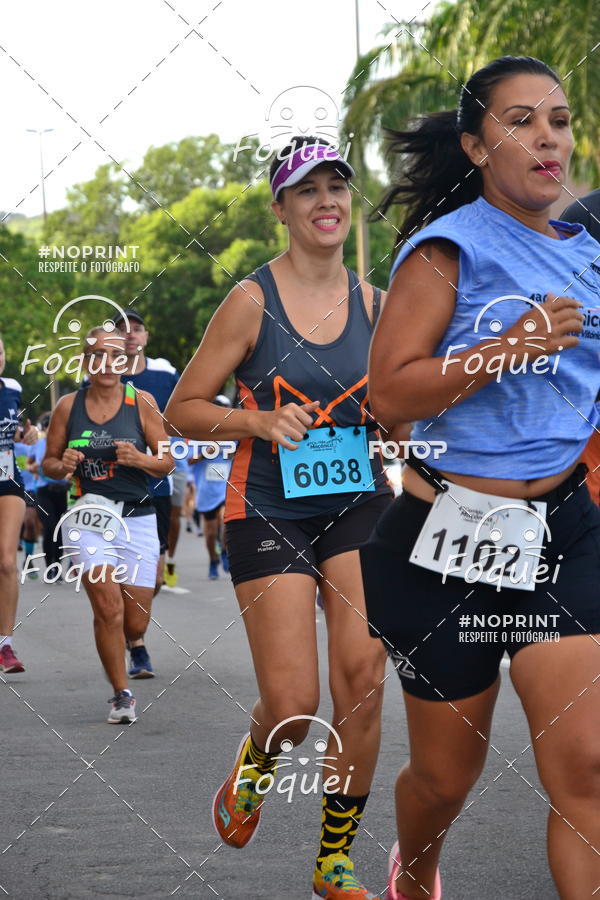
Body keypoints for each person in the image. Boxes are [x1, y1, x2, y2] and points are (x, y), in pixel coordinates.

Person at [359, 56, 600, 899]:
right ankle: (417, 865)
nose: (547, 137)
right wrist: (511, 345)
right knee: (444, 779)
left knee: (588, 769)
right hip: (443, 542)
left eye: (559, 120)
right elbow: (390, 392)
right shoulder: (445, 250)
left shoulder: (590, 256)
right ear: (474, 145)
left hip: (561, 535)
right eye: (521, 120)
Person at [165, 136, 395, 899]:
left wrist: (394, 421)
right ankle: (257, 760)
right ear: (282, 210)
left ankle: (334, 860)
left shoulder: (377, 304)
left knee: (361, 680)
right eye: (307, 191)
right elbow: (182, 410)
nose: (326, 201)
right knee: (296, 703)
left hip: (358, 500)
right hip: (266, 504)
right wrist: (259, 424)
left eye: (336, 186)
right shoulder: (251, 301)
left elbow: (397, 404)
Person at [42, 327, 171, 723]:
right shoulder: (68, 406)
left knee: (135, 619)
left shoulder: (143, 403)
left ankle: (135, 643)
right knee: (107, 607)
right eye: (98, 354)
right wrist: (61, 466)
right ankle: (121, 694)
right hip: (88, 515)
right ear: (85, 361)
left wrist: (140, 460)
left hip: (138, 516)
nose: (107, 363)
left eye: (115, 355)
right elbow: (48, 461)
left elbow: (166, 461)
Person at [112, 310, 179, 677]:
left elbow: (184, 414)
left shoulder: (165, 374)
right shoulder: (104, 377)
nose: (130, 335)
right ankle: (136, 645)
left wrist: (183, 446)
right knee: (118, 575)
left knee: (150, 579)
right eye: (122, 330)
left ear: (146, 336)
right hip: (112, 488)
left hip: (158, 483)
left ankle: (131, 627)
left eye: (136, 328)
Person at [0, 334, 38, 673]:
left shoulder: (11, 388)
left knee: (7, 562)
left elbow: (16, 432)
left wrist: (28, 437)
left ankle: (5, 645)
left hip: (7, 481)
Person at [188, 396, 233, 579]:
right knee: (210, 533)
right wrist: (208, 451)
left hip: (226, 488)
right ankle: (213, 560)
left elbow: (238, 454)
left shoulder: (232, 433)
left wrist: (229, 450)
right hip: (206, 491)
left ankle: (224, 550)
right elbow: (189, 459)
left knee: (225, 521)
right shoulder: (199, 434)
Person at [32, 412, 70, 578]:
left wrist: (68, 474)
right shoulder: (39, 444)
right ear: (45, 428)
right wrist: (34, 468)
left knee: (60, 530)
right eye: (48, 427)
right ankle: (50, 567)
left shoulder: (65, 444)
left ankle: (57, 567)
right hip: (43, 491)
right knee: (50, 527)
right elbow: (29, 463)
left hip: (61, 491)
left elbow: (71, 465)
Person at [13, 439, 41, 579]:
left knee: (30, 523)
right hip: (8, 490)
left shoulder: (26, 448)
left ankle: (28, 560)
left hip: (28, 489)